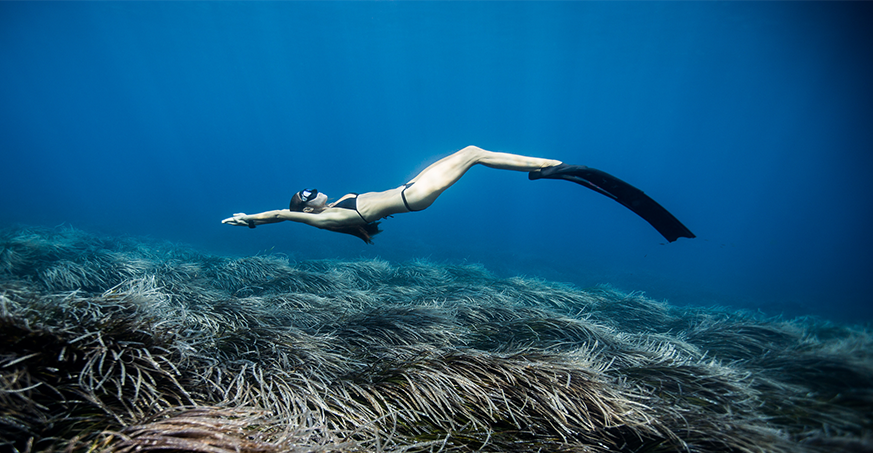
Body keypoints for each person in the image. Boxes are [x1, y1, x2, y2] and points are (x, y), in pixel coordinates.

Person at [222, 145, 694, 243]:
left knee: (466, 150)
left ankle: (545, 169)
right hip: (414, 198)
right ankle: (549, 168)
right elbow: (278, 216)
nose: (317, 192)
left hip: (411, 192)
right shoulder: (320, 219)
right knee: (472, 152)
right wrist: (249, 217)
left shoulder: (336, 209)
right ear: (308, 206)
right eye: (310, 195)